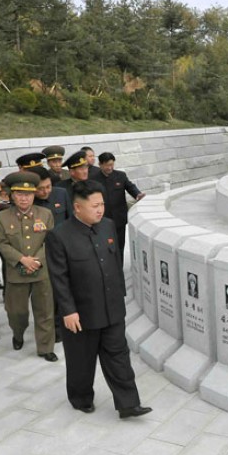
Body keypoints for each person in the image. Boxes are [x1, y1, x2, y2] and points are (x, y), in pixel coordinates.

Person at [46, 179, 151, 418]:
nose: (100, 209)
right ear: (77, 207)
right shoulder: (59, 237)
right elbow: (58, 278)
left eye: (101, 204)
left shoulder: (108, 226)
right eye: (94, 206)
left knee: (119, 357)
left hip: (112, 308)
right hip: (81, 314)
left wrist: (121, 296)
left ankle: (128, 404)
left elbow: (114, 264)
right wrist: (68, 311)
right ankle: (80, 397)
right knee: (81, 361)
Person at [0, 171, 57, 361]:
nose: (24, 198)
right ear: (12, 195)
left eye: (28, 194)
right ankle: (18, 333)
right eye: (20, 194)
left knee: (45, 311)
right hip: (16, 272)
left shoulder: (45, 214)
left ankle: (46, 348)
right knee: (16, 312)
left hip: (41, 271)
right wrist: (22, 260)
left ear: (34, 195)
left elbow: (51, 241)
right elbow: (2, 243)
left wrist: (35, 260)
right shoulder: (2, 217)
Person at [90, 152, 144, 258]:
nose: (110, 168)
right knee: (105, 246)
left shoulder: (120, 175)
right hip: (102, 219)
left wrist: (138, 194)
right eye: (107, 165)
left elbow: (130, 186)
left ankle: (120, 270)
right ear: (100, 164)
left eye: (112, 165)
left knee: (120, 247)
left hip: (119, 219)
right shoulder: (93, 179)